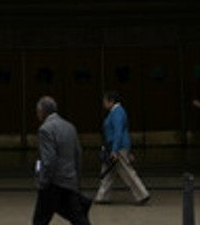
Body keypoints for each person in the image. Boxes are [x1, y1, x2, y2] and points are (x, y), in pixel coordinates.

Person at [33, 96, 92, 225]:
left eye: (38, 112)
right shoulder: (70, 126)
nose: (37, 115)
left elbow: (49, 160)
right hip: (69, 180)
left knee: (40, 220)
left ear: (43, 112)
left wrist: (43, 182)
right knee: (77, 217)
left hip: (53, 183)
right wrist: (77, 180)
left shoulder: (45, 129)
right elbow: (78, 154)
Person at [94, 91, 150, 205]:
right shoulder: (115, 112)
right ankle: (102, 196)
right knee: (107, 173)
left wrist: (114, 150)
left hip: (117, 147)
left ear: (111, 101)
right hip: (114, 146)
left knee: (127, 172)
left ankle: (142, 194)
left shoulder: (117, 112)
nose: (103, 103)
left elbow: (118, 132)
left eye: (105, 101)